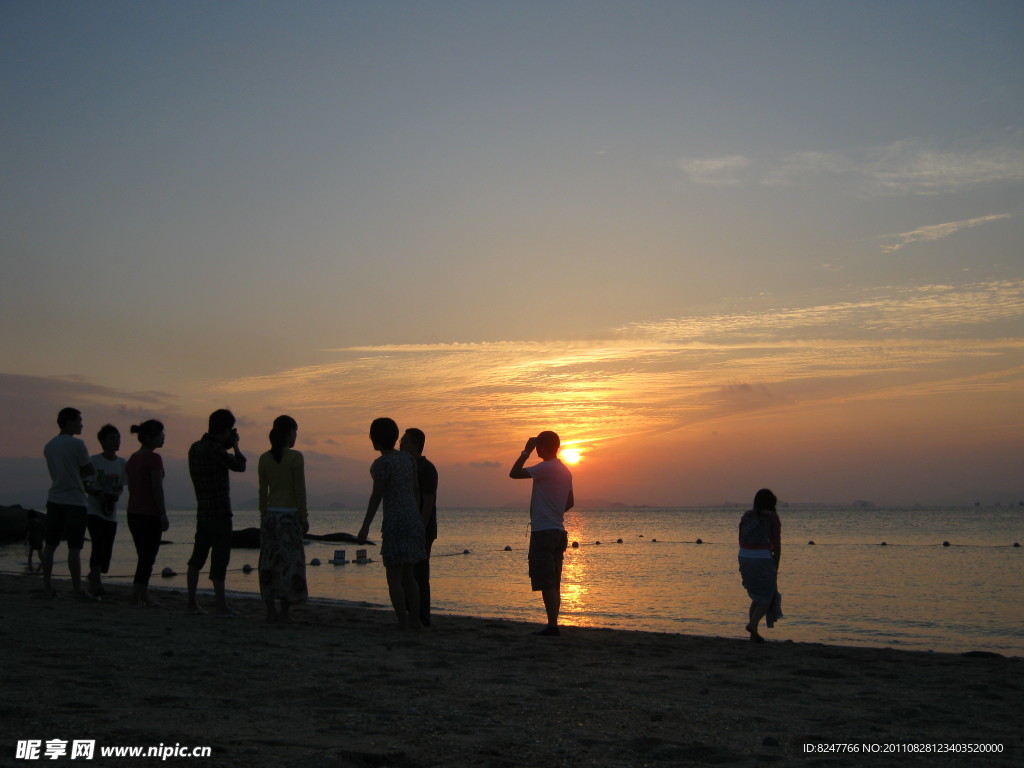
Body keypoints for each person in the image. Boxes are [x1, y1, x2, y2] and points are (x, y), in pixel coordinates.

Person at [357, 418, 426, 630]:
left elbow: (376, 496)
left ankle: (403, 622)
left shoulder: (381, 464)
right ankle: (415, 620)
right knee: (409, 576)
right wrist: (417, 517)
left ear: (374, 439)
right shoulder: (409, 460)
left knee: (394, 577)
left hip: (395, 522)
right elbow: (415, 490)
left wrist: (365, 525)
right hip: (412, 519)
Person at [509, 431, 574, 636]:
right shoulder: (565, 470)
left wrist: (525, 451)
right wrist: (554, 511)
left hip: (544, 532)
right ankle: (553, 623)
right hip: (558, 530)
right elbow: (570, 502)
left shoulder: (546, 467)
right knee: (554, 581)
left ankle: (553, 626)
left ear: (543, 447)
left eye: (537, 446)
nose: (536, 449)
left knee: (546, 581)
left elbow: (514, 473)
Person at [186, 409, 246, 615]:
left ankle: (191, 602)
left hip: (202, 512)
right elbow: (240, 465)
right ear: (226, 428)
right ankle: (221, 605)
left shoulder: (195, 448)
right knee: (219, 561)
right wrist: (236, 445)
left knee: (197, 558)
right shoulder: (216, 450)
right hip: (220, 512)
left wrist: (227, 443)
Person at [257, 415, 308, 623]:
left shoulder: (264, 458)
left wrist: (263, 516)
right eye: (295, 432)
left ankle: (270, 610)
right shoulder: (296, 457)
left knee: (269, 563)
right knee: (290, 564)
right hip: (289, 516)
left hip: (271, 516)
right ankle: (284, 612)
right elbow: (299, 490)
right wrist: (304, 517)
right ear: (289, 433)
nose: (296, 436)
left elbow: (262, 493)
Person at [41, 407, 95, 598]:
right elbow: (89, 469)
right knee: (74, 547)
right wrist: (76, 477)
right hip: (75, 501)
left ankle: (47, 587)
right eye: (79, 420)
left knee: (50, 545)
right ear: (69, 422)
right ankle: (77, 589)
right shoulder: (77, 444)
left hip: (54, 498)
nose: (81, 424)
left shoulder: (49, 445)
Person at [125, 420, 168, 607]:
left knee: (143, 556)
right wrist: (163, 514)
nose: (163, 438)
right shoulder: (153, 458)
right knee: (147, 557)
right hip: (148, 514)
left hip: (133, 512)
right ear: (150, 437)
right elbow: (157, 487)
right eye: (160, 435)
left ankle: (143, 596)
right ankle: (136, 597)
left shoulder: (133, 458)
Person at [400, 427, 438, 627]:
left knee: (420, 574)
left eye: (405, 441)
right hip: (406, 527)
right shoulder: (405, 466)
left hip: (422, 529)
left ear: (416, 445)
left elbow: (428, 500)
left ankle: (422, 616)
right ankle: (410, 613)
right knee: (406, 572)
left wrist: (420, 528)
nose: (401, 444)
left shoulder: (426, 468)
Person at [84, 424, 128, 597]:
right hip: (94, 511)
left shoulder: (122, 463)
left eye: (118, 438)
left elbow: (121, 487)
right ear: (102, 441)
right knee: (98, 545)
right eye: (112, 438)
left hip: (111, 514)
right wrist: (97, 493)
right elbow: (85, 483)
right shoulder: (93, 461)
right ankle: (96, 583)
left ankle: (93, 577)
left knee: (106, 549)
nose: (116, 442)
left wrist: (116, 495)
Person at [737, 488, 783, 643]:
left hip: (744, 556)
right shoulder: (772, 517)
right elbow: (776, 544)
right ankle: (752, 624)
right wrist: (776, 564)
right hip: (762, 557)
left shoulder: (746, 515)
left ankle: (753, 634)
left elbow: (740, 538)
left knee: (757, 596)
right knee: (767, 597)